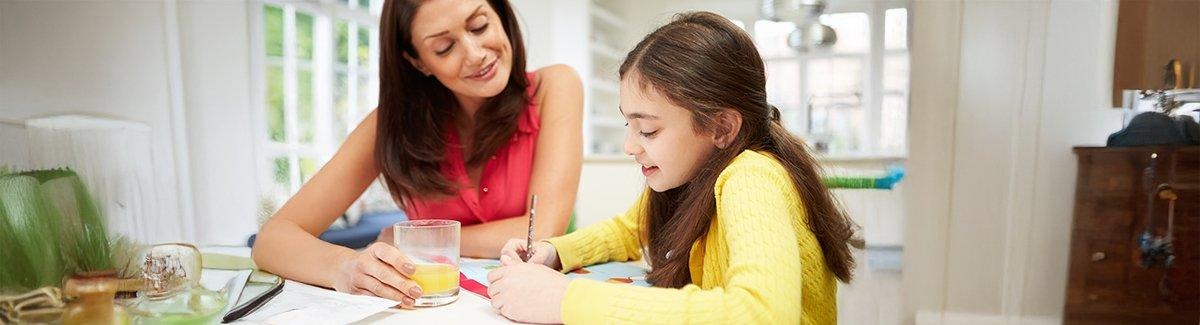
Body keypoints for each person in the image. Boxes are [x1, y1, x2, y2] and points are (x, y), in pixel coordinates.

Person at [485, 11, 858, 324]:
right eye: (628, 125)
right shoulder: (692, 175)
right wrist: (553, 251)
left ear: (722, 127)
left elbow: (760, 314)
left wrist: (568, 300)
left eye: (648, 130)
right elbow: (628, 231)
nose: (630, 146)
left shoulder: (752, 177)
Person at [252, 0, 582, 309]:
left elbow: (541, 230)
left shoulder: (555, 86)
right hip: (429, 308)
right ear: (418, 61)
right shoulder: (391, 125)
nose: (475, 53)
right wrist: (346, 267)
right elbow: (273, 240)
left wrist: (414, 238)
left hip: (535, 302)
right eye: (444, 47)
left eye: (480, 26)